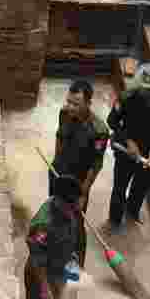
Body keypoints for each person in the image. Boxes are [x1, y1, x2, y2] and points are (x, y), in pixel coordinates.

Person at [106, 62, 150, 231]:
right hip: (126, 152)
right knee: (119, 187)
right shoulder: (127, 98)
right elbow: (112, 121)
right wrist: (128, 141)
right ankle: (115, 219)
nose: (145, 92)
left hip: (149, 156)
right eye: (144, 88)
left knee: (141, 188)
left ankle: (132, 212)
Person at [50, 79, 109, 268]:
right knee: (56, 210)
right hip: (58, 173)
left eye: (76, 104)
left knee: (77, 222)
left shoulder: (99, 131)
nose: (70, 107)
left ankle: (77, 261)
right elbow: (59, 136)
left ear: (88, 103)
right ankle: (56, 248)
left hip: (79, 181)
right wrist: (55, 163)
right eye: (69, 101)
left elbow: (96, 164)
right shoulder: (64, 113)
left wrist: (83, 193)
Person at [23, 175, 83, 299]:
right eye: (72, 205)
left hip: (58, 269)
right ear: (59, 201)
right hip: (41, 274)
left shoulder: (69, 210)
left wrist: (71, 256)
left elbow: (68, 235)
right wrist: (44, 287)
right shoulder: (43, 224)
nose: (76, 208)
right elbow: (37, 258)